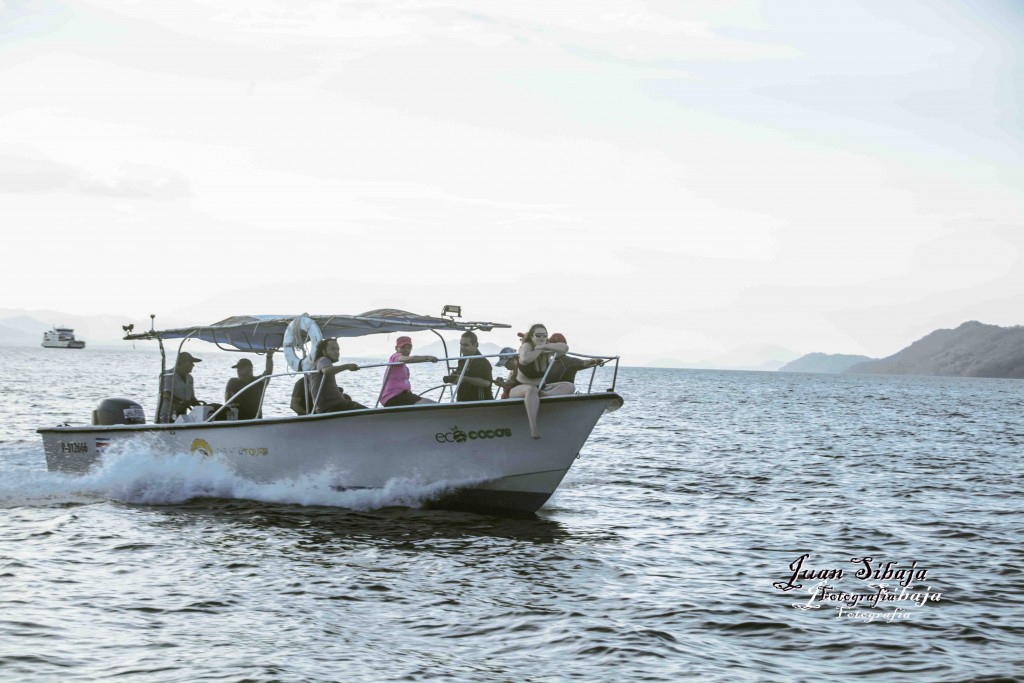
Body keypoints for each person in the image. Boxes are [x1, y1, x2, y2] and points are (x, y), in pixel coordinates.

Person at [509, 324, 575, 438]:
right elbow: (524, 360)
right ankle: (533, 427)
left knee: (569, 386)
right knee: (531, 390)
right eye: (538, 335)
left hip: (541, 388)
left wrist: (543, 347)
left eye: (544, 335)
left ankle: (544, 394)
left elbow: (564, 348)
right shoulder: (527, 346)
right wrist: (539, 350)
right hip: (519, 388)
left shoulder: (546, 347)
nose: (541, 338)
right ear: (531, 336)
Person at [308, 338, 367, 413]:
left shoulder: (316, 364)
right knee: (369, 412)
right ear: (323, 351)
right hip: (332, 407)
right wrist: (347, 366)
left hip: (325, 407)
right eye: (333, 349)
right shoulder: (323, 359)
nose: (337, 352)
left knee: (346, 397)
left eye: (338, 349)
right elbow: (326, 370)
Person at [380, 336, 438, 407]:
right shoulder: (395, 357)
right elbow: (407, 359)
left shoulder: (405, 368)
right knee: (431, 404)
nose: (406, 350)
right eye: (403, 347)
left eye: (409, 348)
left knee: (432, 403)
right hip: (393, 396)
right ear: (396, 348)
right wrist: (427, 357)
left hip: (403, 395)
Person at [442, 331, 493, 402]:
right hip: (463, 402)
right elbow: (462, 375)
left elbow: (486, 383)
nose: (462, 347)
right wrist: (455, 377)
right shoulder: (462, 360)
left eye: (466, 345)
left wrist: (464, 378)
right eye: (461, 344)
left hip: (479, 404)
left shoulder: (482, 362)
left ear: (475, 345)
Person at [223, 351, 275, 420]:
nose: (238, 370)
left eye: (241, 368)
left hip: (255, 420)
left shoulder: (259, 381)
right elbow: (228, 401)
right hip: (237, 419)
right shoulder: (232, 382)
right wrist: (231, 406)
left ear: (249, 369)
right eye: (237, 369)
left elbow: (268, 371)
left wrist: (269, 356)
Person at [159, 351, 204, 422]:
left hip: (182, 416)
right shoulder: (168, 375)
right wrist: (180, 402)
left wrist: (203, 408)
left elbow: (192, 399)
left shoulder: (190, 378)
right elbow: (165, 394)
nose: (193, 365)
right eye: (190, 363)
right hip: (167, 415)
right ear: (181, 363)